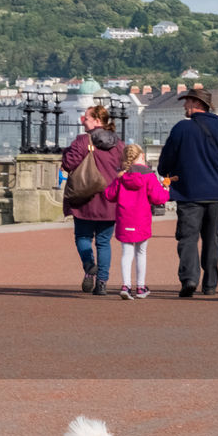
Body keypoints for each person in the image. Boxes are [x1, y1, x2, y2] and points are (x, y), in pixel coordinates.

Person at [157, 87, 218, 297]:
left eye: (187, 102)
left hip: (188, 193)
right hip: (215, 194)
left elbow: (165, 160)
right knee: (211, 238)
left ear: (196, 104)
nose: (184, 106)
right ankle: (210, 284)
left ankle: (189, 278)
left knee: (187, 238)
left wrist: (166, 172)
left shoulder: (181, 129)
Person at [61, 104, 123, 294]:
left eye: (86, 118)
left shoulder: (83, 140)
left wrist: (65, 153)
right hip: (109, 199)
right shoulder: (119, 143)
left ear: (97, 120)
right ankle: (102, 283)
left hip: (84, 197)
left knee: (82, 236)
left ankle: (89, 265)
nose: (83, 121)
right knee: (104, 242)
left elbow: (68, 163)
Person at [104, 144, 169, 299]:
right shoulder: (149, 176)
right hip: (141, 219)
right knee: (141, 252)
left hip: (124, 218)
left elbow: (109, 195)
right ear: (142, 157)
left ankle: (126, 285)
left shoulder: (122, 176)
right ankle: (140, 286)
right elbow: (158, 198)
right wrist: (166, 188)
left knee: (126, 253)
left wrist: (116, 179)